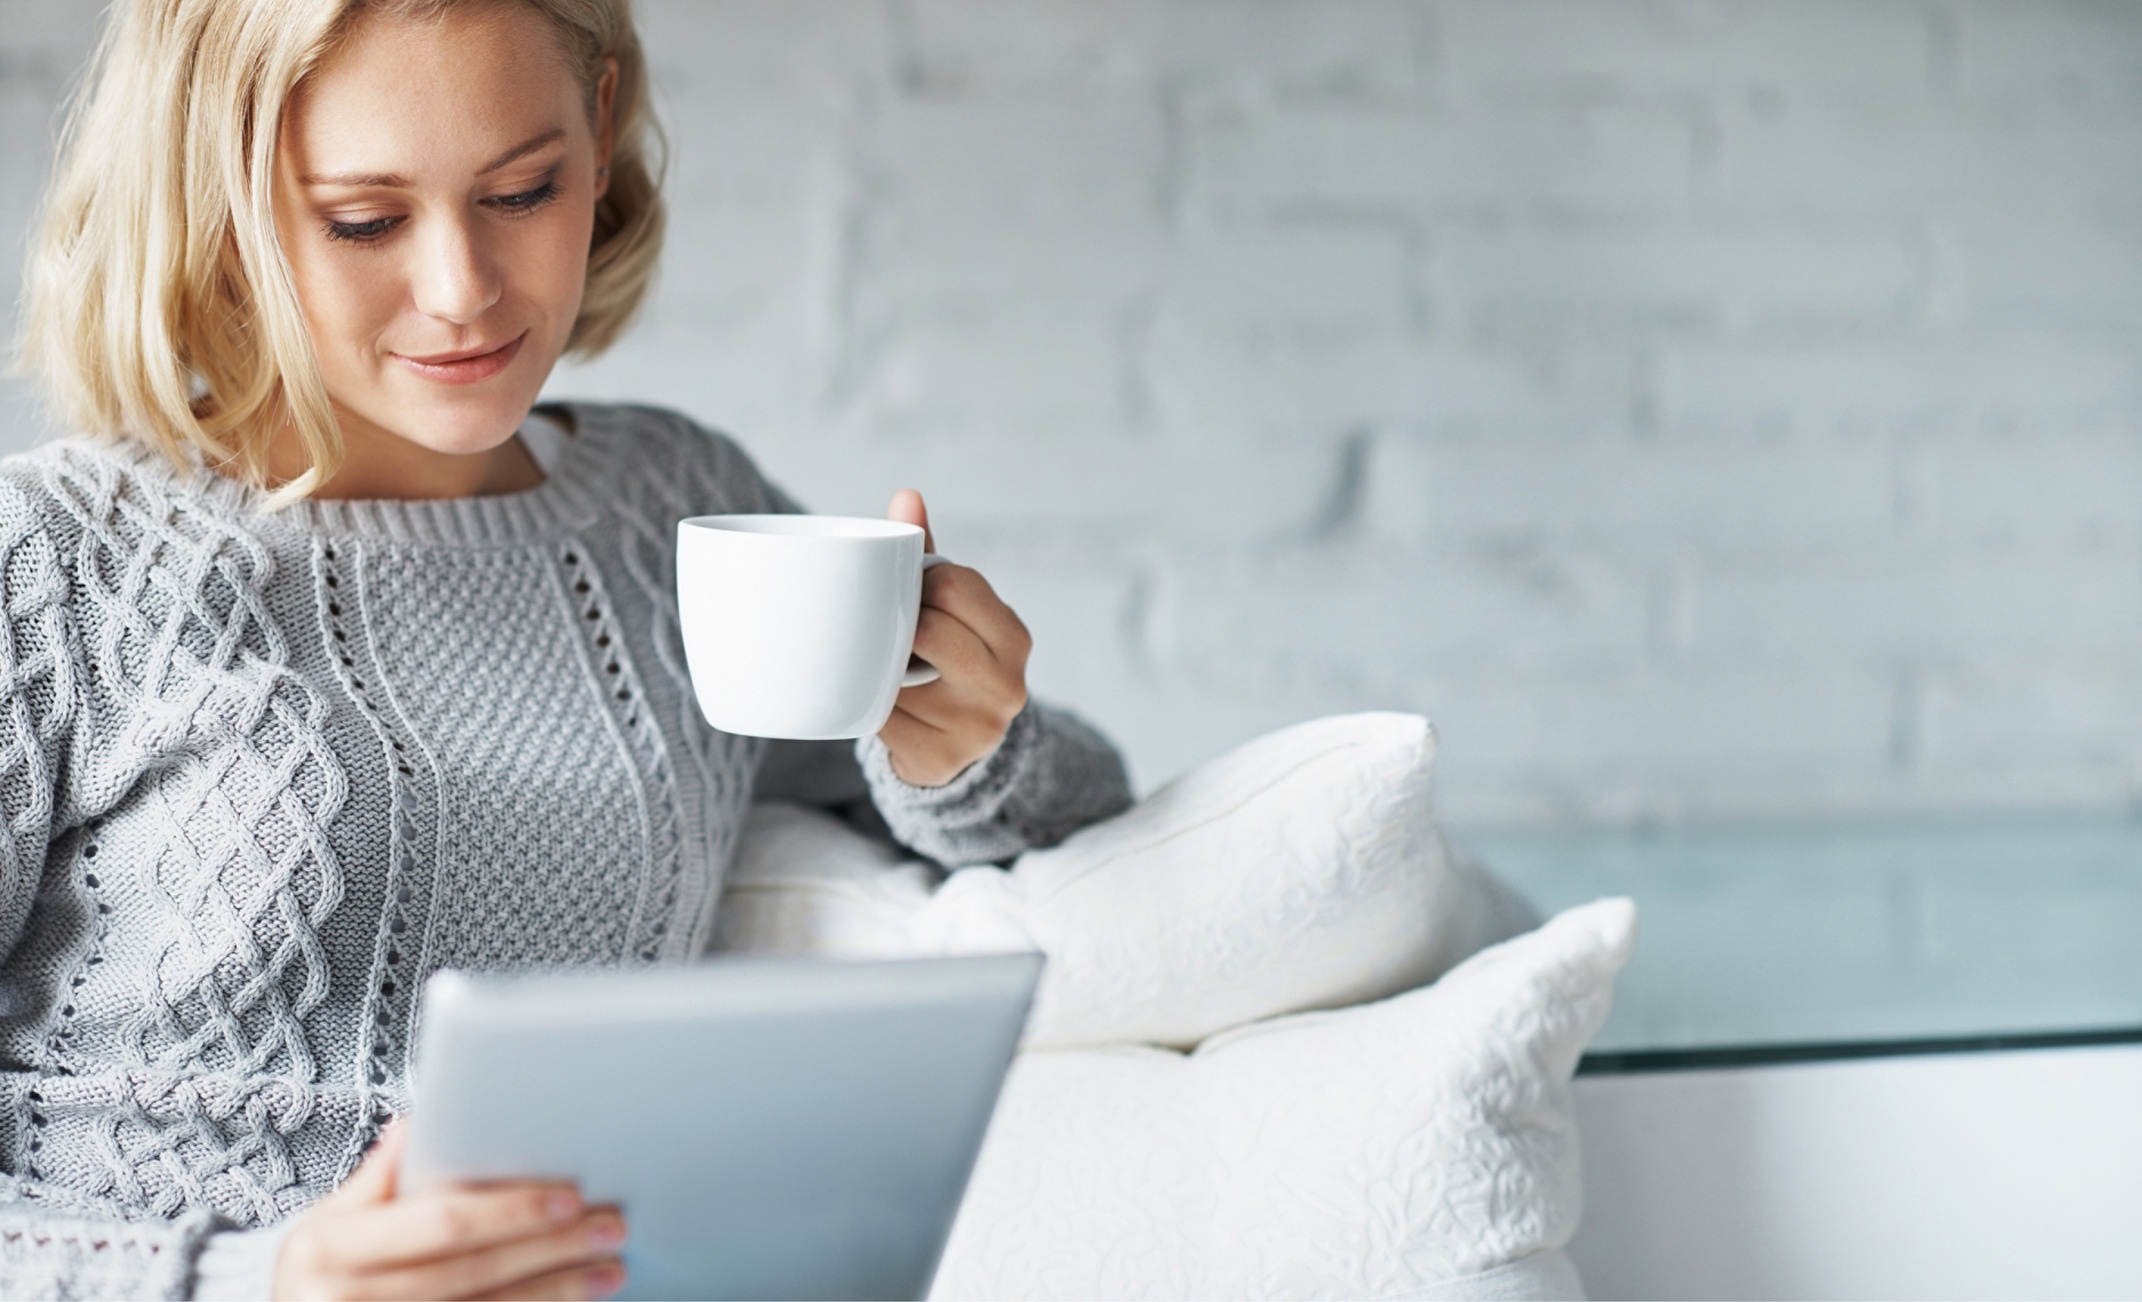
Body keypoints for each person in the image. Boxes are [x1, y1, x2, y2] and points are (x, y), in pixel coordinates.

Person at [0, 0, 1132, 1297]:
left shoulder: (672, 512)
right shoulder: (56, 566)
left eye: (521, 189)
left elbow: (1078, 847)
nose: (463, 288)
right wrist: (254, 1277)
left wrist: (974, 750)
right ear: (215, 202)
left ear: (598, 137)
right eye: (365, 218)